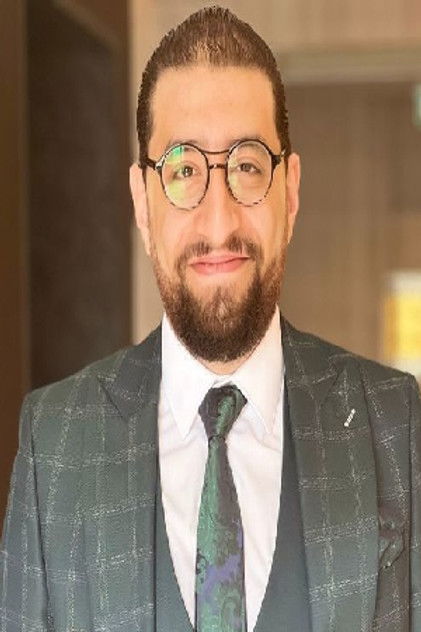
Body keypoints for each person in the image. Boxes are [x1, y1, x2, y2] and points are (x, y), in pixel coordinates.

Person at [1, 6, 420, 632]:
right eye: (183, 170)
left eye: (247, 165)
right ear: (142, 202)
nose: (218, 222)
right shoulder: (55, 442)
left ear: (290, 192)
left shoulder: (396, 422)